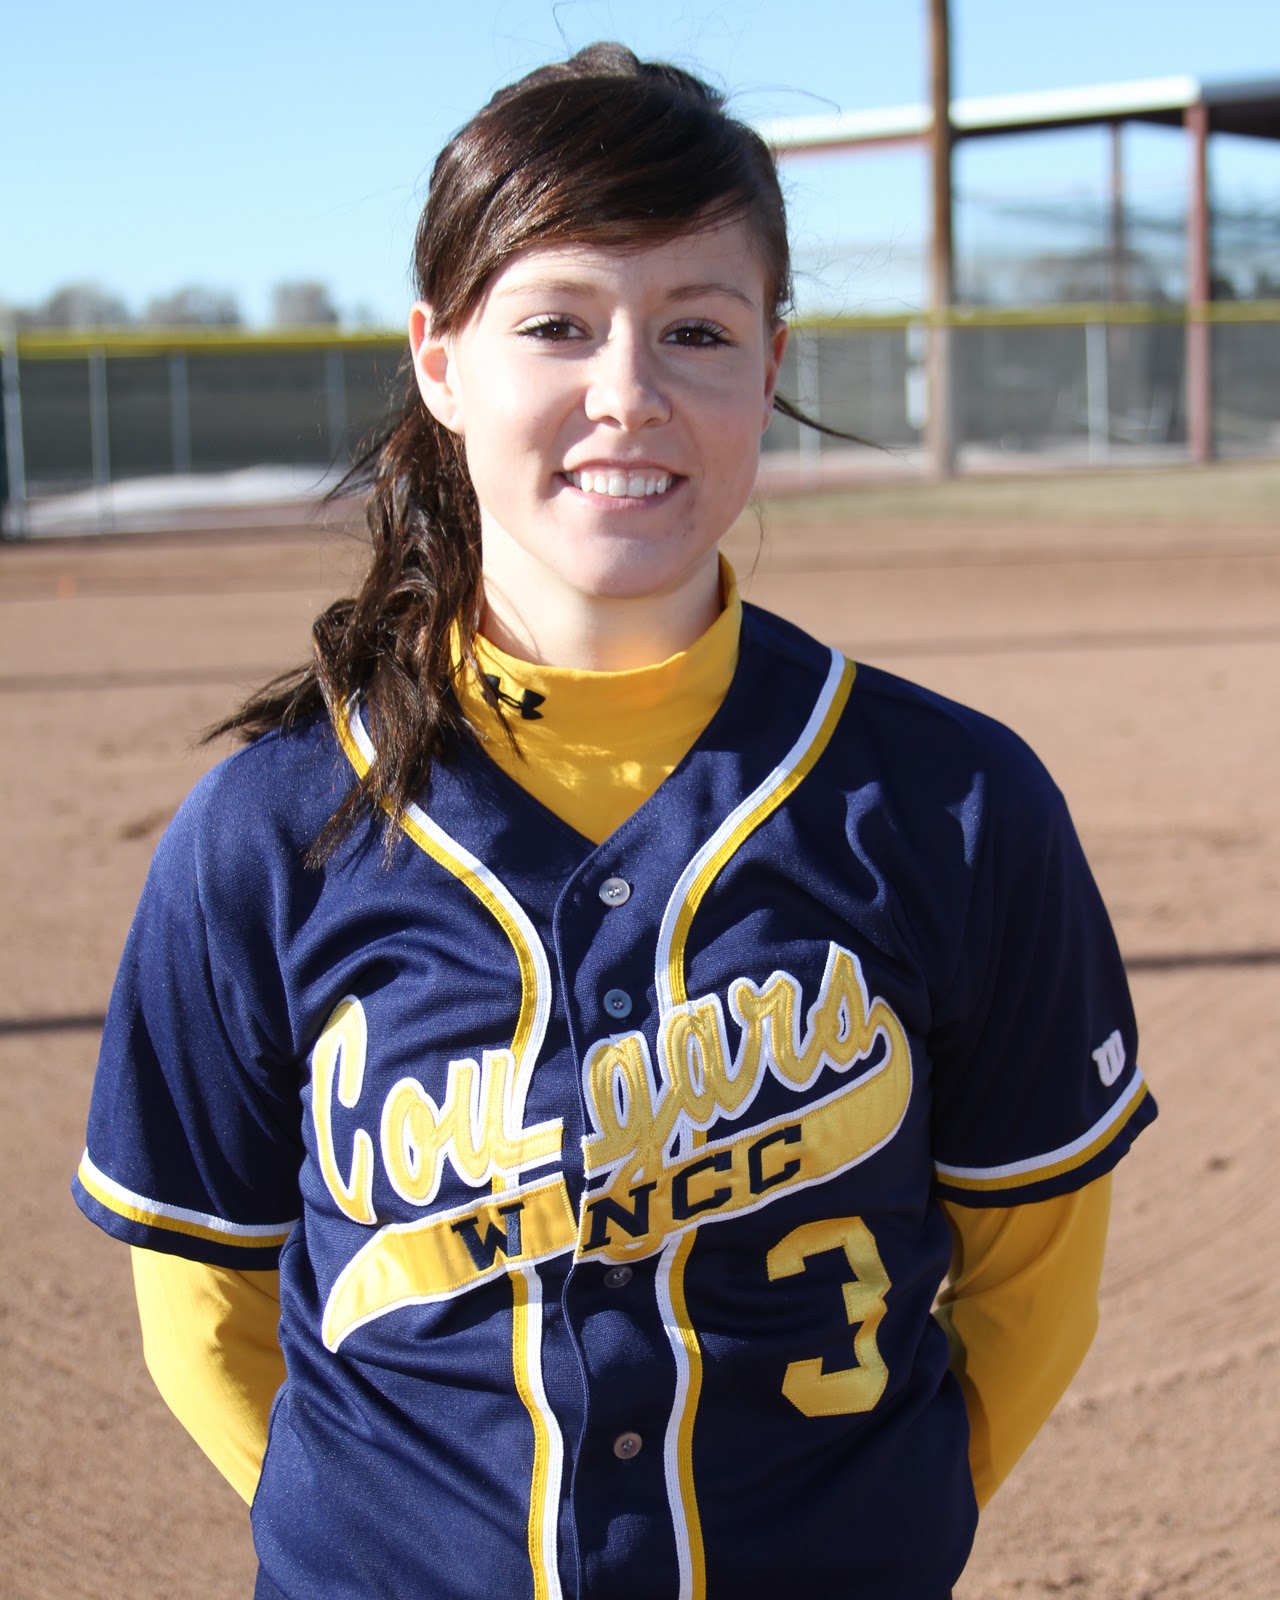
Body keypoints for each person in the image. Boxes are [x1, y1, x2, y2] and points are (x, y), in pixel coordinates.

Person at [73, 43, 1155, 1600]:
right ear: (439, 361)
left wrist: (873, 1534)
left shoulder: (952, 802)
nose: (629, 393)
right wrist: (378, 1541)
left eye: (697, 329)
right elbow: (202, 1304)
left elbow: (1034, 1280)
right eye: (559, 324)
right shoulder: (274, 829)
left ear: (770, 365)